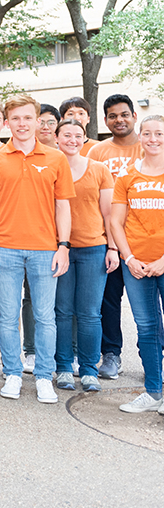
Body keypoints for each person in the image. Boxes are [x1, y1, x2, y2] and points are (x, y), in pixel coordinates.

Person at [0, 94, 74, 405]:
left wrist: (63, 246)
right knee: (7, 316)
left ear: (38, 121)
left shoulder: (56, 158)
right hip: (4, 248)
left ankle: (45, 376)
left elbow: (63, 208)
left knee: (46, 317)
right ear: (8, 122)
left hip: (46, 249)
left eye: (27, 118)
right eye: (15, 118)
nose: (22, 123)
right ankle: (14, 373)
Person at [53, 118, 115, 393]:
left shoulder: (99, 169)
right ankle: (64, 367)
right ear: (57, 138)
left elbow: (109, 214)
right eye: (67, 135)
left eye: (78, 135)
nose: (72, 140)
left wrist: (112, 247)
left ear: (84, 138)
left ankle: (89, 369)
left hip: (93, 248)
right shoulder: (51, 168)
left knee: (90, 313)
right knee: (63, 312)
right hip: (58, 248)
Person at [109, 115, 164, 413]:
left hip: (163, 262)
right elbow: (116, 222)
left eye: (159, 133)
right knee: (147, 329)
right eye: (148, 133)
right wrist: (128, 258)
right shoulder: (127, 175)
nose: (153, 139)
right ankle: (154, 391)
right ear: (140, 138)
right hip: (136, 265)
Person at [88, 93, 142, 380]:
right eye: (112, 116)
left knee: (148, 305)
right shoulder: (97, 152)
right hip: (108, 241)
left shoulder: (150, 148)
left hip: (143, 240)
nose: (118, 120)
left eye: (124, 114)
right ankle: (111, 354)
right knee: (108, 301)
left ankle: (152, 357)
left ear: (134, 116)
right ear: (106, 120)